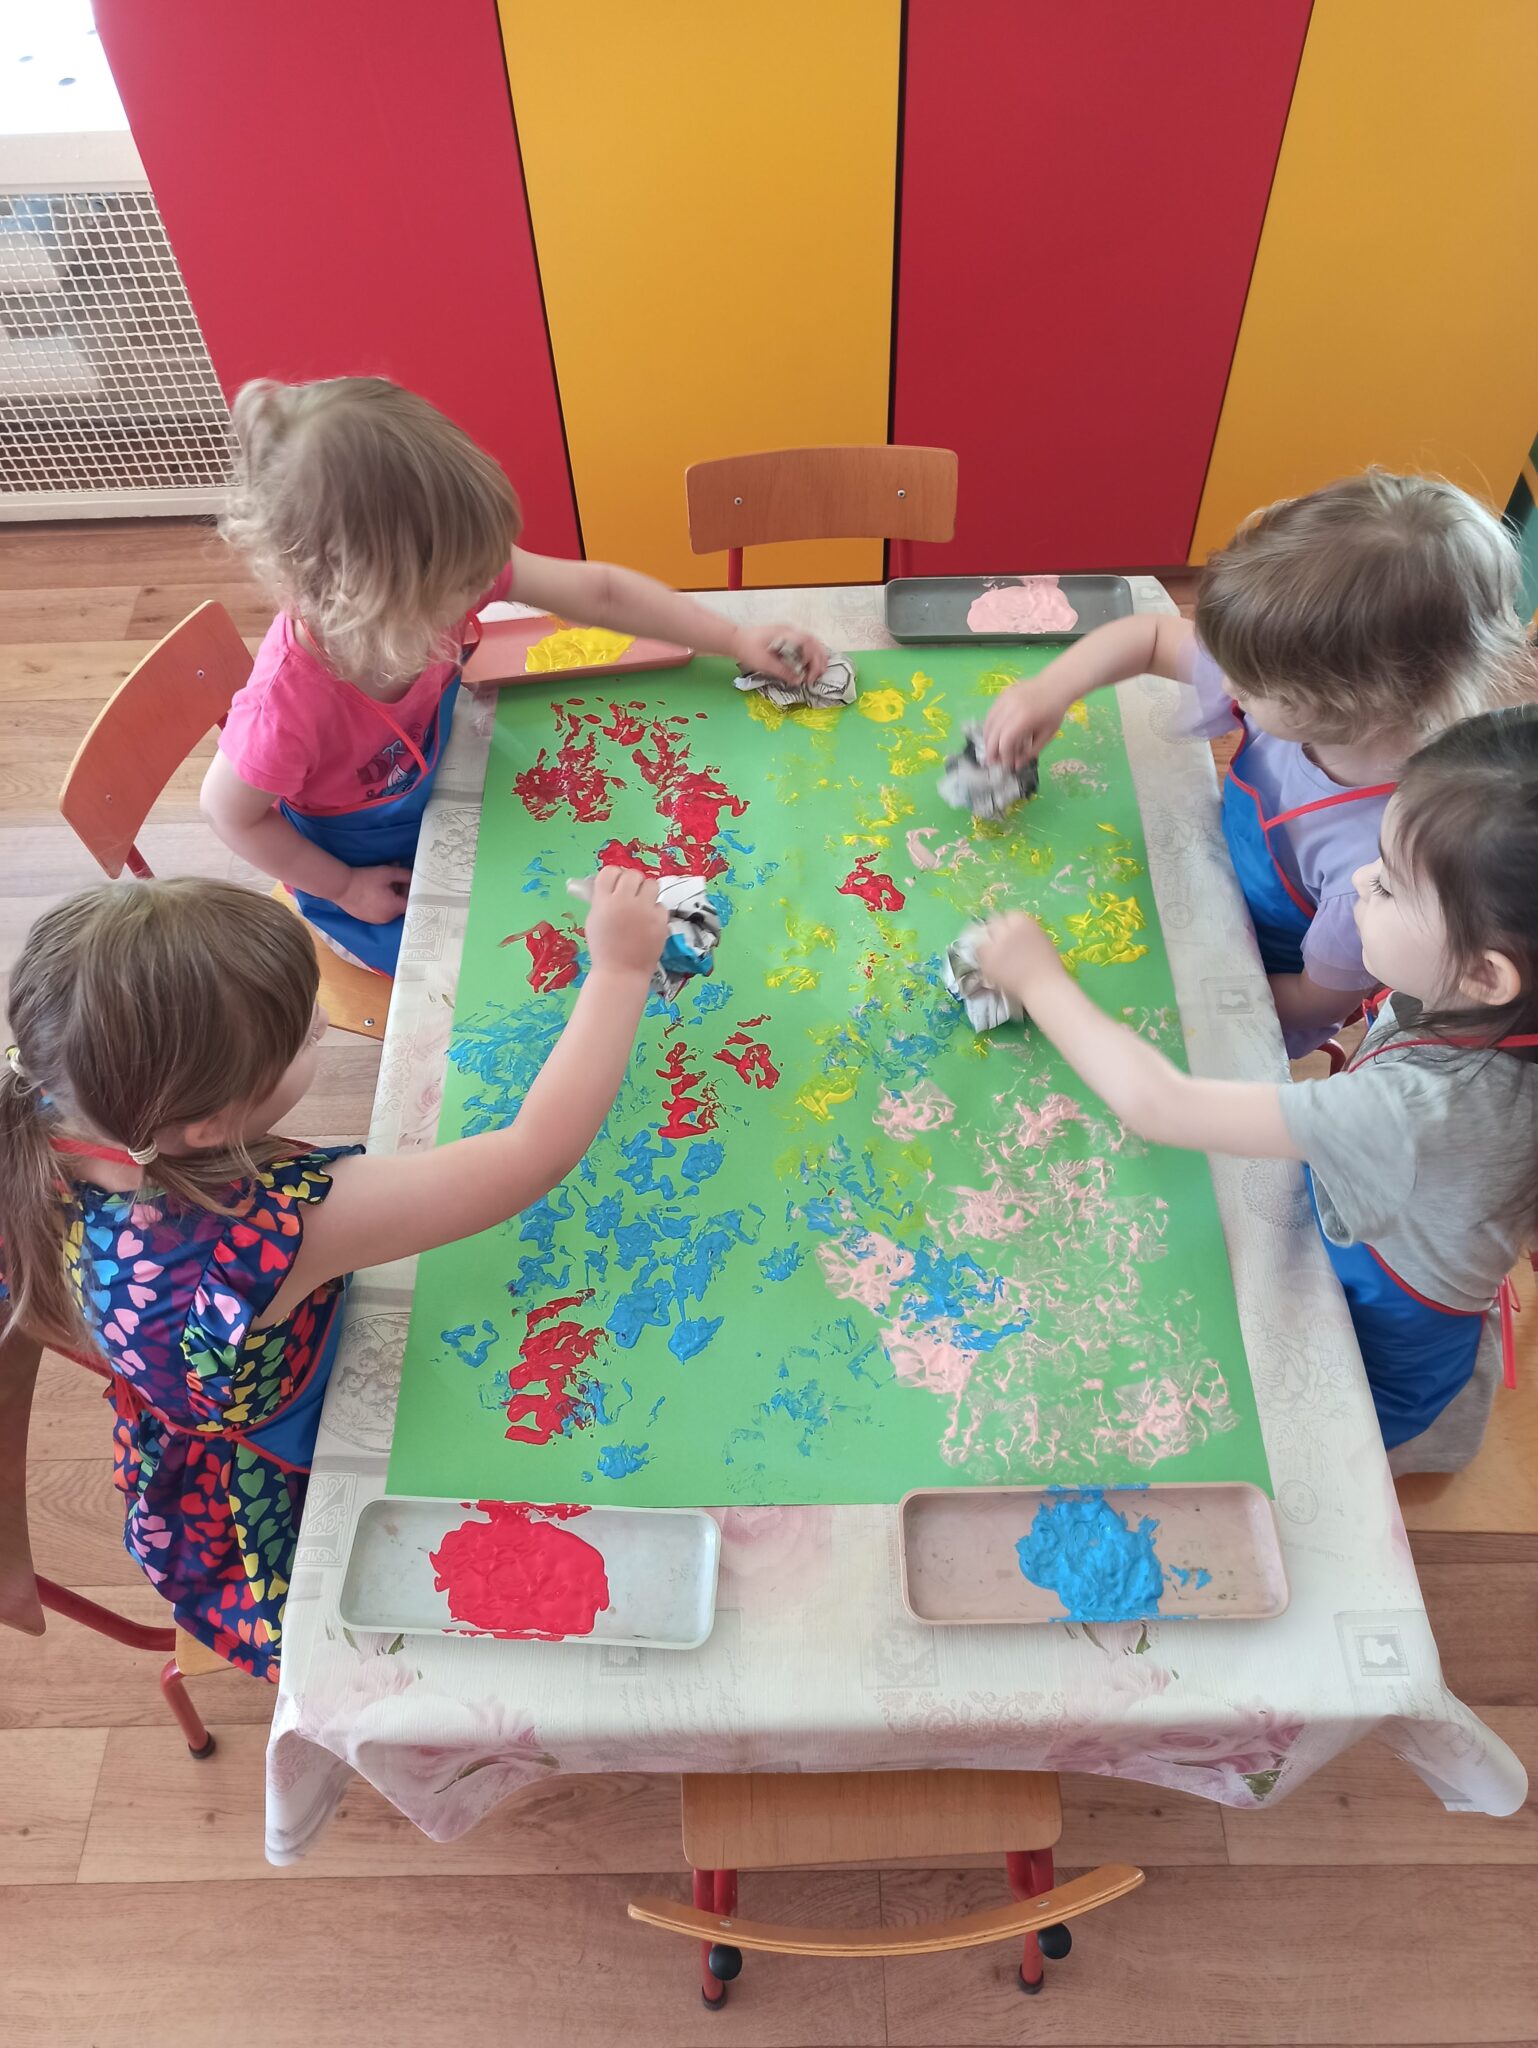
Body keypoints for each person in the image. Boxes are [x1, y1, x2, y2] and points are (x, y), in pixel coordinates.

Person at [0, 870, 666, 1676]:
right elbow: (532, 1156)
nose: (321, 1021)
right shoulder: (266, 1229)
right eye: (305, 1037)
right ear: (208, 1126)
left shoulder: (50, 1109)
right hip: (287, 1470)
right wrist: (621, 970)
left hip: (188, 1419)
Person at [976, 706, 1538, 1471]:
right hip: (1386, 1238)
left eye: (1389, 884)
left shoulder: (1420, 1116)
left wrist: (1038, 980)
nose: (1358, 878)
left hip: (1369, 1365)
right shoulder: (1490, 1008)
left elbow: (1159, 1106)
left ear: (1484, 973)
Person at [203, 376, 829, 974]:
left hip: (449, 787)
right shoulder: (287, 708)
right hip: (368, 873)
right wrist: (342, 886)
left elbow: (602, 593)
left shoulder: (442, 569)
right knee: (506, 969)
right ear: (371, 599)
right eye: (466, 584)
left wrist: (733, 639)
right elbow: (231, 814)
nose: (487, 585)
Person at [983, 471, 1530, 1055]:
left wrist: (1149, 987)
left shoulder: (1380, 865)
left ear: (1346, 706)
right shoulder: (1298, 682)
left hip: (1245, 988)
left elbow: (1314, 1002)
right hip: (1199, 886)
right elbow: (1149, 639)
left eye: (1247, 684)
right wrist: (1051, 690)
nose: (1227, 685)